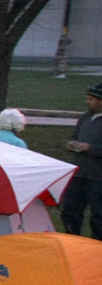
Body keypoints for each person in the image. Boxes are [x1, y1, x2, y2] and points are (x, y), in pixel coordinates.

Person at [62, 82, 102, 238]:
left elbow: (89, 146)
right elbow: (75, 136)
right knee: (70, 211)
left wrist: (90, 148)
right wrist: (72, 144)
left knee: (98, 216)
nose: (88, 102)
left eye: (91, 99)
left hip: (98, 178)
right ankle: (72, 240)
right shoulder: (85, 118)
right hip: (79, 174)